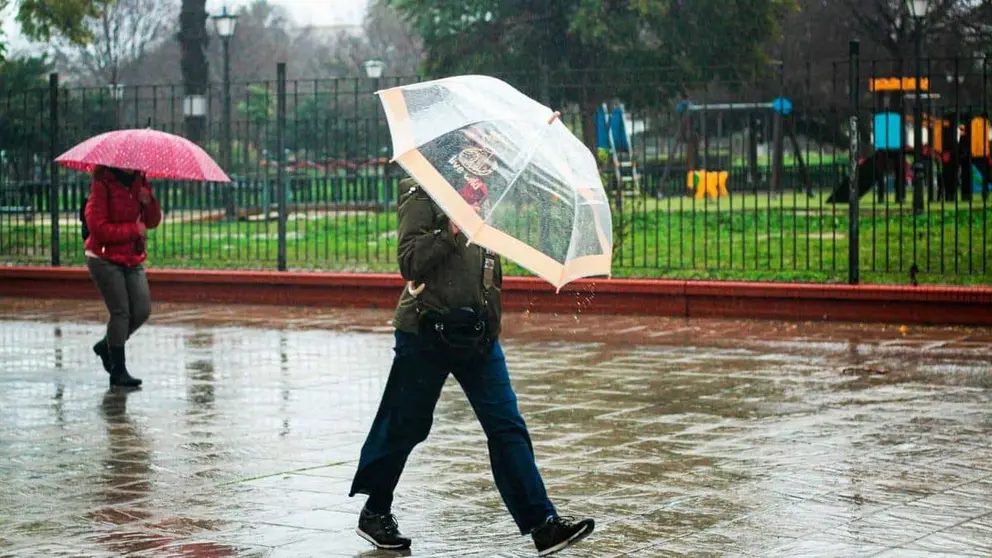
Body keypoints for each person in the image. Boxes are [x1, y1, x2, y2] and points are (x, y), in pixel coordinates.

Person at [348, 170, 595, 556]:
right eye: (477, 145)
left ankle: (542, 524)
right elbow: (410, 261)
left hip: (478, 334)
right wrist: (452, 226)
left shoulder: (487, 192)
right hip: (426, 331)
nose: (484, 153)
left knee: (506, 424)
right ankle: (376, 510)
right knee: (405, 424)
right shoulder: (420, 189)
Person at [84, 165, 161, 388]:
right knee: (121, 313)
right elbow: (97, 228)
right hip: (103, 257)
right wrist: (133, 230)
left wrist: (149, 202)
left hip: (131, 257)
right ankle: (118, 372)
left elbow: (152, 222)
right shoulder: (102, 183)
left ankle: (106, 346)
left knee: (142, 310)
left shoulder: (140, 181)